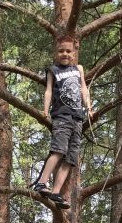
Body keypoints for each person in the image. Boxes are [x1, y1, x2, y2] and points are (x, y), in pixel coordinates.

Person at [34, 36, 92, 209]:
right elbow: (48, 91)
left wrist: (88, 107)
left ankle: (56, 192)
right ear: (56, 53)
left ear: (74, 53)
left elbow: (83, 88)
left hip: (78, 118)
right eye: (61, 51)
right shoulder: (53, 70)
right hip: (62, 116)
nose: (64, 54)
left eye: (68, 51)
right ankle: (42, 183)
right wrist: (45, 111)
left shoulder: (78, 68)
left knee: (70, 158)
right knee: (59, 150)